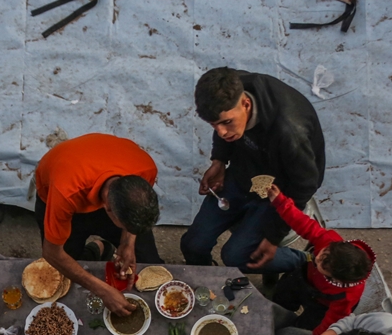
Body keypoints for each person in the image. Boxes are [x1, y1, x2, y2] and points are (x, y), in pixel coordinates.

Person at [180, 67, 326, 272]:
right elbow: (223, 128)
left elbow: (305, 185)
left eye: (227, 123)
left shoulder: (289, 130)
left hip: (281, 192)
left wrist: (273, 237)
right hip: (245, 172)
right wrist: (219, 161)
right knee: (192, 244)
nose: (221, 132)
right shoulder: (230, 88)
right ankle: (206, 280)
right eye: (214, 125)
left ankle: (310, 261)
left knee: (236, 256)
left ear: (246, 104)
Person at [34, 133, 162, 316]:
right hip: (62, 195)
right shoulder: (65, 192)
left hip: (99, 189)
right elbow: (51, 253)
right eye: (124, 226)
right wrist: (102, 290)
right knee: (64, 265)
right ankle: (95, 250)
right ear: (107, 209)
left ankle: (100, 249)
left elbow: (133, 220)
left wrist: (128, 242)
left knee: (148, 257)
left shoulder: (146, 168)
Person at [261, 182, 375, 335]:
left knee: (300, 329)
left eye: (321, 264)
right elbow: (305, 224)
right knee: (280, 299)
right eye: (324, 253)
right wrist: (280, 202)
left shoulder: (346, 297)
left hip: (322, 305)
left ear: (334, 278)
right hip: (302, 278)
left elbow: (331, 321)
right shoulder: (329, 242)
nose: (318, 255)